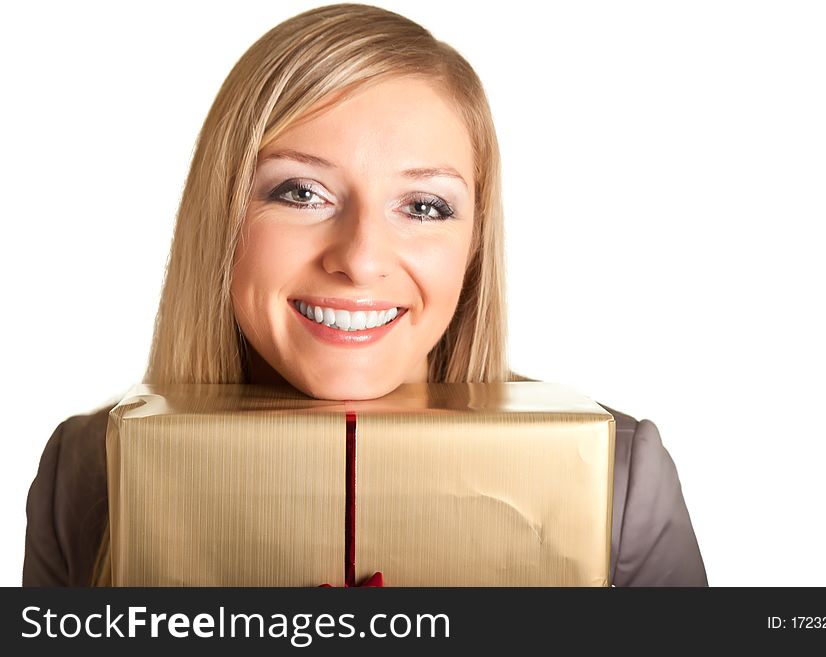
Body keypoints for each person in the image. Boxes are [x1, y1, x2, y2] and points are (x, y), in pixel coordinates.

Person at [22, 3, 708, 587]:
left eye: (424, 205)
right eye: (300, 192)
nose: (360, 258)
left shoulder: (619, 482)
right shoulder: (86, 474)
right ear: (222, 216)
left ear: (473, 245)